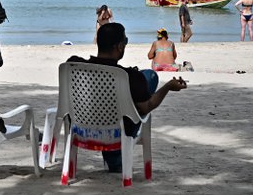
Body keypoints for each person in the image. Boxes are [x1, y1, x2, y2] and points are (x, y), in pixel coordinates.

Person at [67, 23, 187, 172]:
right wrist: (168, 87)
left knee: (139, 83)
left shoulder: (73, 65)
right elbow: (147, 107)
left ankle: (112, 156)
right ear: (119, 46)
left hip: (82, 127)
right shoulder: (130, 76)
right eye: (125, 41)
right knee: (149, 77)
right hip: (116, 131)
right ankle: (114, 158)